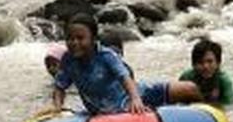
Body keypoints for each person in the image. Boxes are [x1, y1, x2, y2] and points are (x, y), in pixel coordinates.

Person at [41, 13, 200, 116]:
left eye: (80, 38)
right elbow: (60, 86)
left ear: (93, 39)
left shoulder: (105, 56)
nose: (74, 42)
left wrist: (136, 99)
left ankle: (207, 117)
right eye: (70, 38)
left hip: (136, 95)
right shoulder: (69, 60)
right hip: (106, 111)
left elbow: (124, 77)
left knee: (190, 89)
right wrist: (57, 107)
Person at [179, 39, 233, 107]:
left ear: (218, 63)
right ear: (193, 65)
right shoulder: (186, 78)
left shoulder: (224, 81)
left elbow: (229, 106)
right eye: (200, 62)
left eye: (210, 61)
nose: (205, 66)